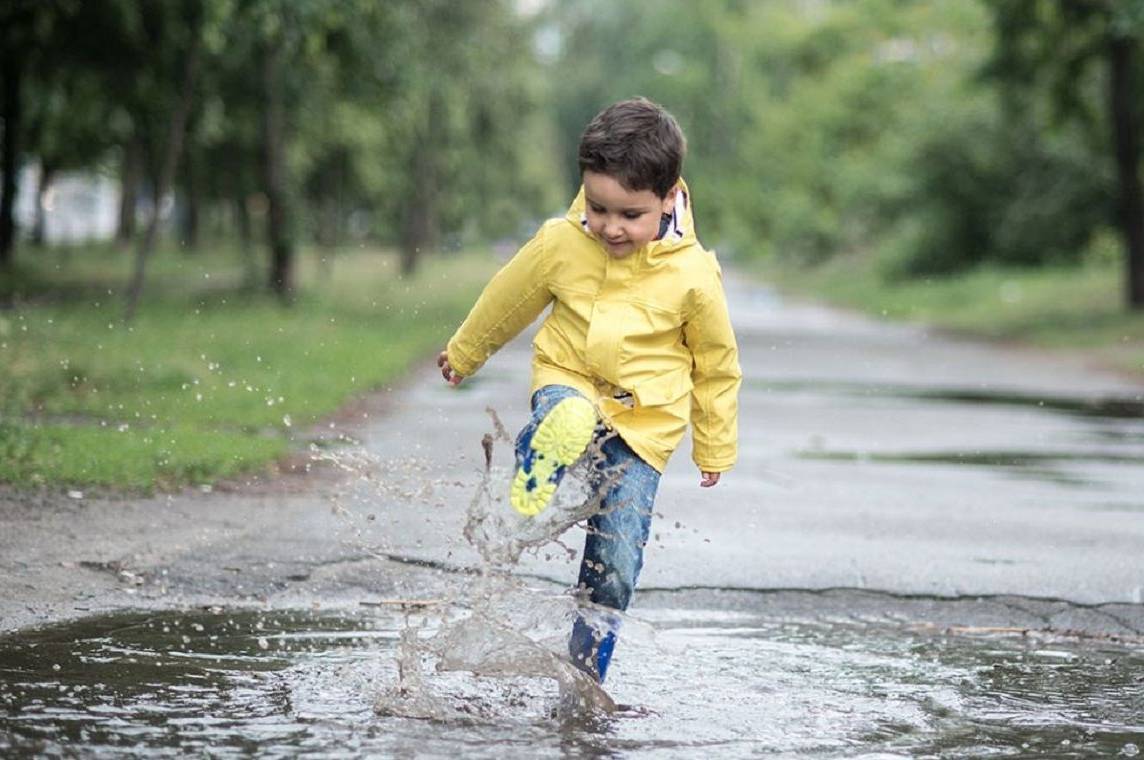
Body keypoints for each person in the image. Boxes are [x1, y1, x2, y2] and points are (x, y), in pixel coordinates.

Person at [437, 97, 741, 684]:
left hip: (644, 428)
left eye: (629, 214)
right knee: (569, 413)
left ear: (669, 197)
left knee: (617, 562)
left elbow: (716, 363)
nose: (609, 227)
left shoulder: (693, 274)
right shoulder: (562, 242)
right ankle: (540, 459)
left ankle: (585, 675)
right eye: (598, 208)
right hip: (567, 379)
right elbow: (509, 299)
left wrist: (714, 445)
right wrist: (465, 352)